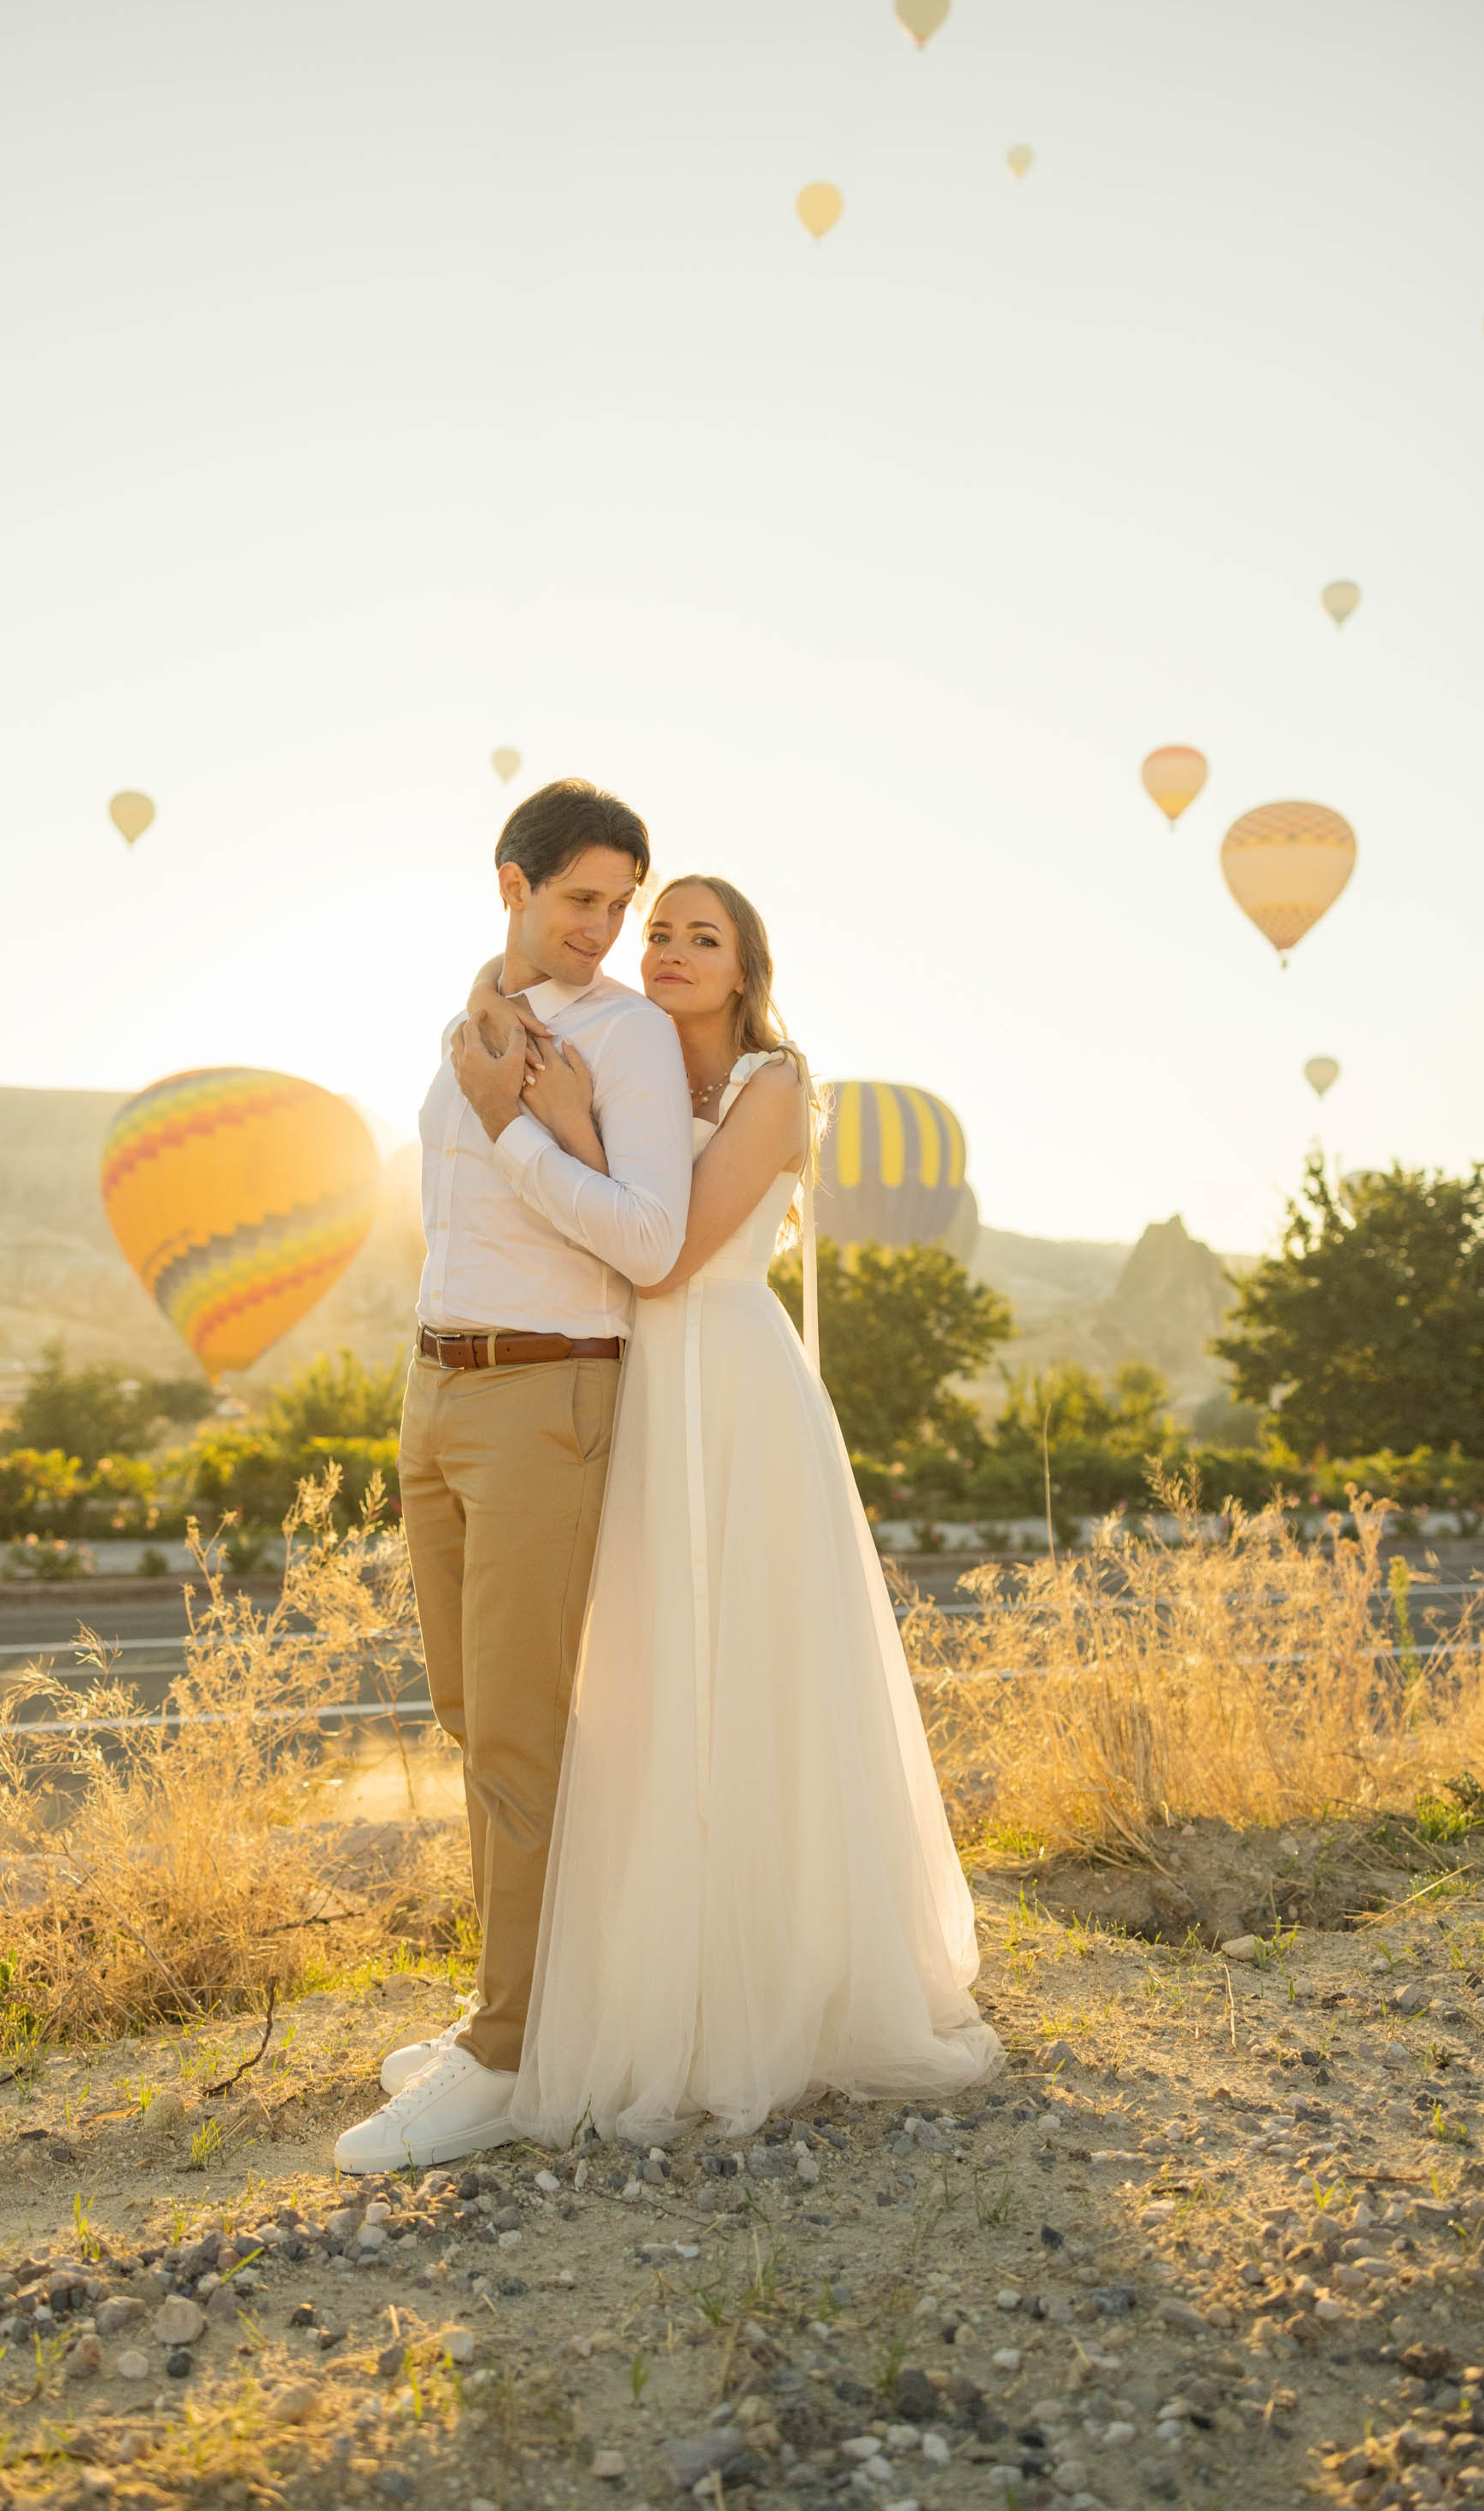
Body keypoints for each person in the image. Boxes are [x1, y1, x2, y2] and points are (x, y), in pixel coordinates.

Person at [500, 875, 1002, 2141]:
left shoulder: (771, 1084)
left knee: (765, 1667)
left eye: (698, 937)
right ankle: (662, 1983)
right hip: (642, 1391)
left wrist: (558, 1126)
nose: (666, 950)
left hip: (729, 1382)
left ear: (742, 969)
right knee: (654, 1674)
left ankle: (784, 1989)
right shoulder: (626, 1062)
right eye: (654, 931)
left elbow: (663, 1250)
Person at [332, 779, 692, 2174]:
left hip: (549, 1389)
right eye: (581, 900)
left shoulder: (631, 1038)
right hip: (436, 1386)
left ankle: (500, 2055)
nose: (605, 930)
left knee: (526, 1735)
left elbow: (649, 1240)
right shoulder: (469, 1018)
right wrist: (489, 1104)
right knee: (470, 1715)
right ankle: (527, 2008)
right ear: (512, 886)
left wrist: (518, 1126)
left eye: (621, 904)